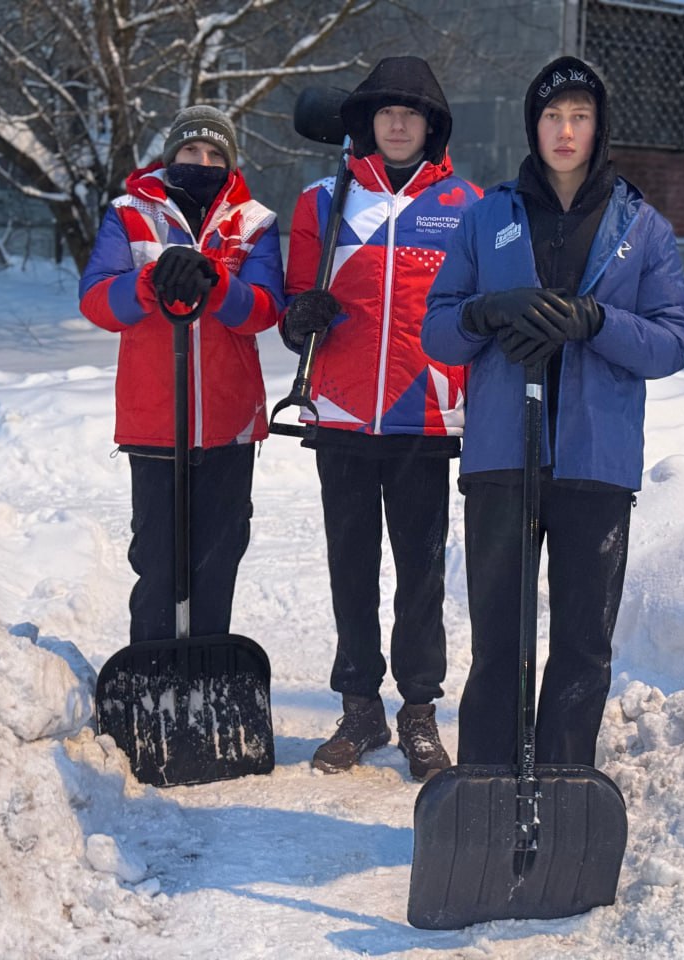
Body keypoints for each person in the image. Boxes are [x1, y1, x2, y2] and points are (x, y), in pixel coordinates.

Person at [421, 56, 684, 766]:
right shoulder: (489, 217)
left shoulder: (644, 228)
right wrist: (486, 309)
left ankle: (565, 784)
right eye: (551, 116)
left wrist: (597, 321)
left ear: (598, 127)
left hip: (595, 461)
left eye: (579, 116)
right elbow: (438, 329)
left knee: (581, 642)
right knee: (500, 638)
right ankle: (486, 785)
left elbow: (670, 343)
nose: (564, 131)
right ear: (532, 126)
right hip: (502, 458)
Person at [280, 56, 482, 781]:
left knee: (421, 575)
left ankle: (419, 713)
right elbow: (296, 298)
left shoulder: (470, 205)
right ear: (365, 122)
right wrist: (299, 317)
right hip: (339, 415)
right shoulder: (321, 201)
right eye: (385, 111)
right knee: (351, 567)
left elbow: (476, 315)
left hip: (424, 420)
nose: (398, 123)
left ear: (432, 125)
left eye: (412, 112)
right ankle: (359, 706)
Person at [79, 105, 284, 644]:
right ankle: (152, 669)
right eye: (192, 150)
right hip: (154, 420)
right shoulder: (129, 214)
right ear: (171, 156)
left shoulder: (254, 222)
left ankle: (208, 674)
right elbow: (98, 301)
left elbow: (263, 310)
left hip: (228, 419)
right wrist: (149, 282)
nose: (204, 160)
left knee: (217, 558)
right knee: (159, 560)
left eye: (217, 153)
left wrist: (215, 282)